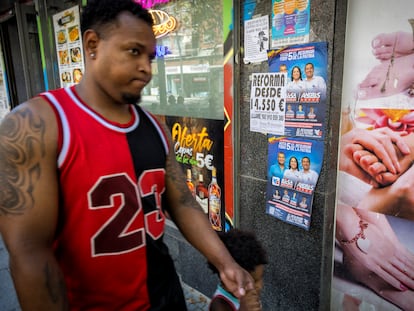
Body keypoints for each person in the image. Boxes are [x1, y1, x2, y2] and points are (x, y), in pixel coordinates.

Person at [0, 1, 254, 310]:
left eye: (149, 56)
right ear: (92, 45)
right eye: (133, 52)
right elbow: (29, 252)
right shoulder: (36, 125)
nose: (147, 68)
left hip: (165, 297)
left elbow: (183, 203)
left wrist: (224, 261)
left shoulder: (155, 128)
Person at [208, 229, 268, 311]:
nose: (260, 286)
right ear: (228, 279)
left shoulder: (249, 297)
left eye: (261, 278)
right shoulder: (219, 305)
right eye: (253, 281)